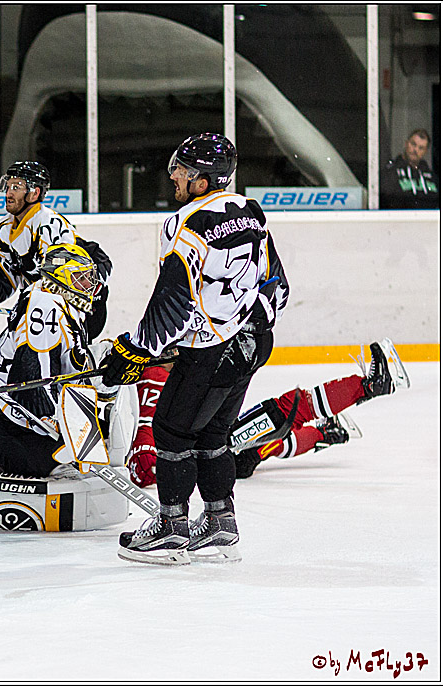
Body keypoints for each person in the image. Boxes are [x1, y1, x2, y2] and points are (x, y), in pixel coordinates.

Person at [98, 132, 290, 565]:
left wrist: (139, 348)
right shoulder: (251, 212)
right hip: (254, 343)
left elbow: (174, 295)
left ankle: (171, 528)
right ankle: (221, 525)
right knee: (213, 434)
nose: (174, 178)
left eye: (181, 171)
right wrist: (245, 327)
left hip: (212, 352)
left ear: (202, 181)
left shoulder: (187, 222)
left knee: (170, 429)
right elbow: (275, 283)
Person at [0, 244, 132, 534]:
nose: (91, 285)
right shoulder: (46, 307)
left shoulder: (61, 305)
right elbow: (31, 377)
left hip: (3, 417)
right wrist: (58, 428)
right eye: (82, 277)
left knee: (78, 458)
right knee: (65, 467)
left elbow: (69, 367)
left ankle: (16, 468)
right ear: (62, 277)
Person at [126, 338, 411, 486]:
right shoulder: (156, 375)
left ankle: (326, 431)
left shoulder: (152, 374)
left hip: (209, 457)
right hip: (206, 455)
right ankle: (367, 387)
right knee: (284, 411)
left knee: (260, 445)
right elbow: (149, 453)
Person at [0, 161, 112, 340]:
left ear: (34, 193)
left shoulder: (49, 226)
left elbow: (70, 280)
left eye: (16, 187)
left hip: (81, 314)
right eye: (8, 186)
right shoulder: (3, 230)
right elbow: (3, 281)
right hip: (38, 312)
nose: (9, 193)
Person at [380, 128, 440, 209]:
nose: (415, 150)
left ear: (425, 151)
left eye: (421, 148)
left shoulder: (432, 177)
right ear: (406, 143)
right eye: (413, 144)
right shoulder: (390, 172)